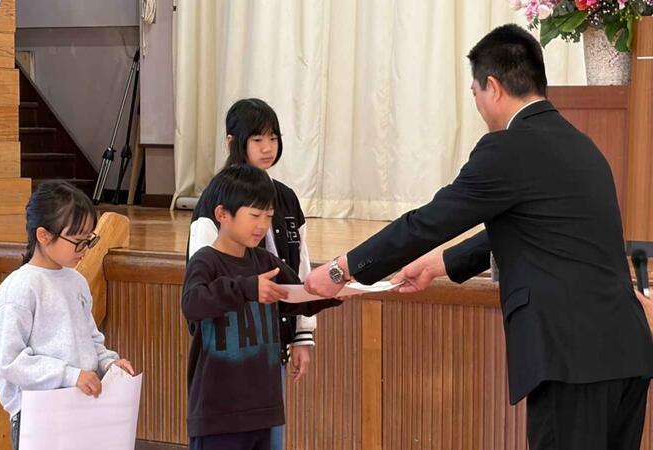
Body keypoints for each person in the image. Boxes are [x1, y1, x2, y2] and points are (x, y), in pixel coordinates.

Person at [304, 24, 653, 450]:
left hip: (570, 358)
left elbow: (427, 222)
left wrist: (340, 270)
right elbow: (533, 226)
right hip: (627, 353)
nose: (478, 105)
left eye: (475, 93)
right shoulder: (583, 146)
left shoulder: (507, 148)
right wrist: (440, 264)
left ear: (493, 86)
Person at [183, 164, 342, 450]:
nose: (262, 225)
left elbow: (297, 296)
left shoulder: (266, 261)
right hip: (218, 414)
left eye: (268, 216)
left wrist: (337, 292)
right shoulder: (206, 261)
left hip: (264, 410)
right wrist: (247, 288)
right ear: (222, 214)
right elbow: (193, 303)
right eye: (255, 215)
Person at [0, 181, 135, 450]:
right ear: (43, 236)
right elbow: (8, 360)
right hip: (39, 415)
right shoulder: (20, 287)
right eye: (78, 241)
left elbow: (90, 340)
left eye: (90, 240)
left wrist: (109, 363)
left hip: (80, 408)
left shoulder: (76, 281)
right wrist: (69, 375)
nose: (85, 249)